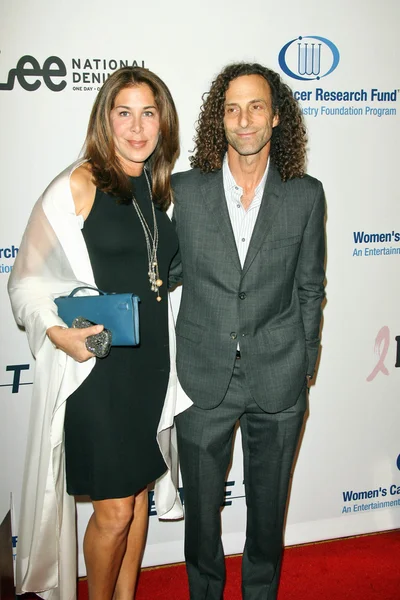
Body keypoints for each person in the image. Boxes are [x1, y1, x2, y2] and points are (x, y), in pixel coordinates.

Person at [8, 66, 191, 600]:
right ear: (105, 119)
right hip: (101, 373)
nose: (137, 128)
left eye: (149, 113)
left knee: (135, 502)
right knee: (113, 512)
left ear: (163, 122)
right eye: (124, 113)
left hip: (152, 366)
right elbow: (25, 284)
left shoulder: (157, 188)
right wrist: (58, 333)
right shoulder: (79, 182)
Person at [169, 62, 326, 599]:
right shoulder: (183, 191)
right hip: (202, 376)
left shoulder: (305, 195)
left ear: (276, 117)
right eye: (232, 107)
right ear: (220, 119)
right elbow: (161, 272)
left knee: (267, 509)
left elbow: (310, 288)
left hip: (279, 376)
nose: (244, 119)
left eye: (256, 106)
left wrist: (305, 363)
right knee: (202, 518)